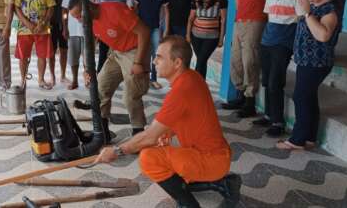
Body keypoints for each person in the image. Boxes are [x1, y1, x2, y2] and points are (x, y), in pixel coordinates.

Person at [95, 36, 241, 208]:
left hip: (212, 160)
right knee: (160, 143)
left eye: (159, 57)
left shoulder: (182, 90)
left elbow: (148, 137)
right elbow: (180, 119)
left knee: (148, 158)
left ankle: (188, 204)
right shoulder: (192, 77)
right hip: (214, 154)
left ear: (177, 63)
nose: (154, 61)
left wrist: (117, 150)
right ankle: (222, 183)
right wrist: (164, 134)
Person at [68, 0, 150, 137]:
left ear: (88, 6)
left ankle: (138, 132)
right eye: (75, 18)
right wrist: (87, 69)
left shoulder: (115, 10)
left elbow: (144, 32)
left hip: (134, 51)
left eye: (79, 15)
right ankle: (102, 129)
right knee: (101, 86)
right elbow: (90, 45)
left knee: (131, 94)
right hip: (117, 52)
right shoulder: (89, 22)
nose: (79, 20)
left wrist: (138, 62)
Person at [276, 0, 338, 150]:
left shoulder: (329, 12)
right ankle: (310, 137)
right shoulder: (314, 7)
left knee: (301, 97)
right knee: (309, 97)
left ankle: (297, 139)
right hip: (306, 61)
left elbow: (323, 35)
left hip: (316, 62)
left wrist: (306, 14)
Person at [255, 0, 304, 137]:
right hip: (267, 41)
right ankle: (269, 116)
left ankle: (278, 122)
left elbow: (301, 20)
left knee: (275, 82)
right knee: (267, 80)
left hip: (283, 44)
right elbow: (270, 18)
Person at [221, 0, 274, 118]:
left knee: (249, 60)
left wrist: (269, 28)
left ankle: (250, 103)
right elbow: (238, 4)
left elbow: (271, 3)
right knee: (235, 60)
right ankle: (240, 95)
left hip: (256, 22)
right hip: (239, 22)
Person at [13, 0, 56, 90]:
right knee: (23, 56)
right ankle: (23, 80)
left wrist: (43, 22)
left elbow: (51, 7)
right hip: (24, 29)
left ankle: (41, 80)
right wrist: (27, 23)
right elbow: (16, 8)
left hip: (43, 28)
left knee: (42, 55)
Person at [186, 0, 227, 79]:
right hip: (196, 36)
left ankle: (195, 84)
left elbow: (223, 20)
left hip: (212, 37)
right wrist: (188, 34)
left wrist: (221, 38)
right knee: (202, 61)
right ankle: (201, 86)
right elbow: (191, 18)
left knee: (200, 61)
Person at [134, 0, 169, 89]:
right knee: (142, 53)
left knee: (156, 54)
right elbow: (134, 10)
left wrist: (165, 29)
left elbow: (166, 13)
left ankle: (153, 79)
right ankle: (141, 78)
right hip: (141, 30)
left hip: (155, 29)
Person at [95, 0, 135, 73]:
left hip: (119, 30)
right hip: (104, 28)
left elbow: (129, 11)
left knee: (117, 55)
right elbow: (95, 1)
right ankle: (99, 76)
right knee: (102, 54)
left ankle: (114, 78)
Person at [46, 0, 71, 87]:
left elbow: (70, 5)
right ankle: (52, 76)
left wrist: (67, 25)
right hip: (50, 23)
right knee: (51, 51)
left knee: (64, 50)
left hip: (65, 22)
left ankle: (63, 75)